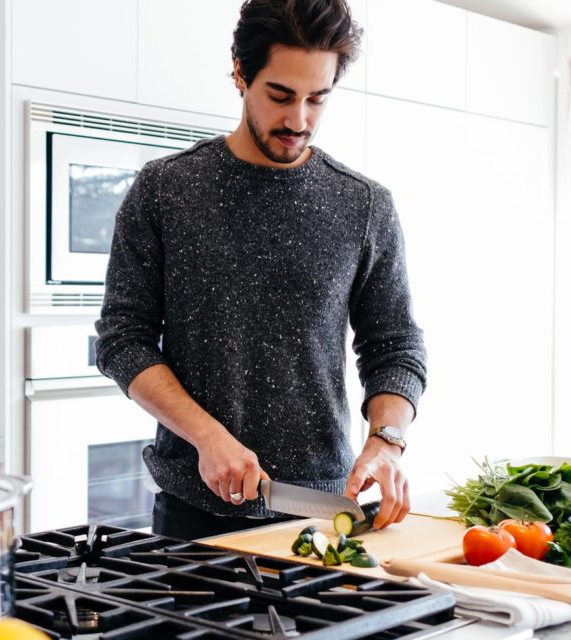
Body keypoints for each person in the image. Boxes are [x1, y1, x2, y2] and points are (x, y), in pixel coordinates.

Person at [93, 0, 426, 541]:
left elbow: (395, 347)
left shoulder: (364, 205)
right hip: (193, 516)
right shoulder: (165, 190)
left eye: (318, 98)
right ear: (240, 74)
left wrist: (387, 439)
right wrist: (206, 437)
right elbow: (122, 341)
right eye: (280, 95)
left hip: (322, 511)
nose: (299, 120)